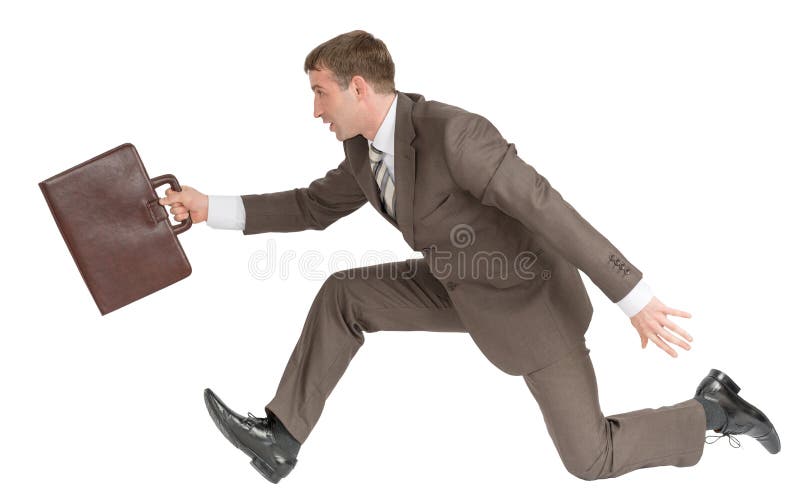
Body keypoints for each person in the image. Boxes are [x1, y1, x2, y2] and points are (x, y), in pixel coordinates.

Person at [159, 30, 780, 483]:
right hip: (458, 283)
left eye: (320, 93)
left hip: (529, 302)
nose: (314, 109)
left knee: (590, 458)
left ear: (357, 87)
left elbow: (546, 208)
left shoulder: (455, 135)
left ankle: (711, 411)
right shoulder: (363, 151)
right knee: (345, 296)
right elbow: (311, 206)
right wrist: (208, 207)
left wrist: (633, 296)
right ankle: (281, 437)